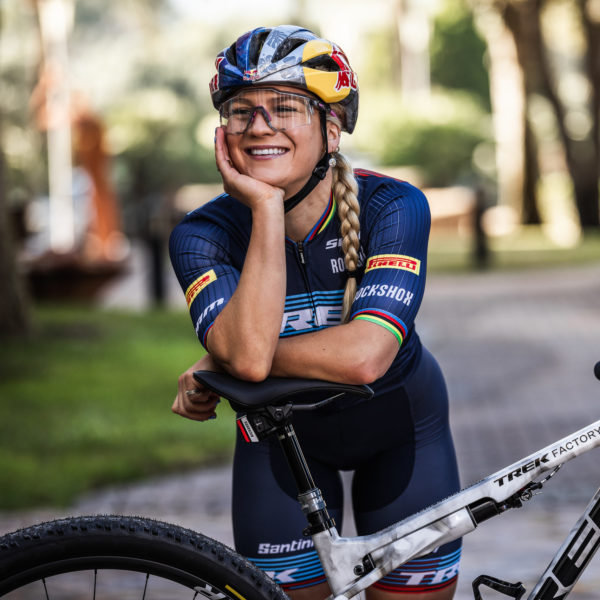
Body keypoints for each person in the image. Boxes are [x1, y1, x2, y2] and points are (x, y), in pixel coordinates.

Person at [169, 25, 461, 600]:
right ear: (223, 133)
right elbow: (248, 359)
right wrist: (265, 208)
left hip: (402, 430)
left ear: (332, 128)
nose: (260, 126)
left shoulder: (392, 206)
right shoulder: (202, 235)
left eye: (285, 107)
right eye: (241, 111)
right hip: (276, 441)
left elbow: (364, 357)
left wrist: (220, 362)